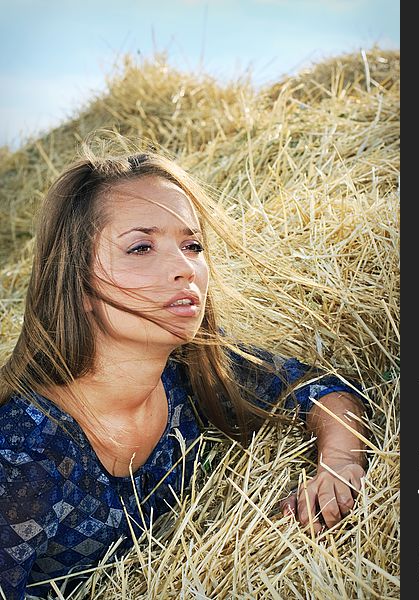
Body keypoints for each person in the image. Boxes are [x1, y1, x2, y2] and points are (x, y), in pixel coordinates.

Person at [0, 149, 368, 599]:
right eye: (140, 247)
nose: (185, 269)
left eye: (192, 245)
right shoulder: (23, 456)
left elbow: (316, 387)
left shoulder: (188, 371)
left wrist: (341, 462)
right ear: (77, 284)